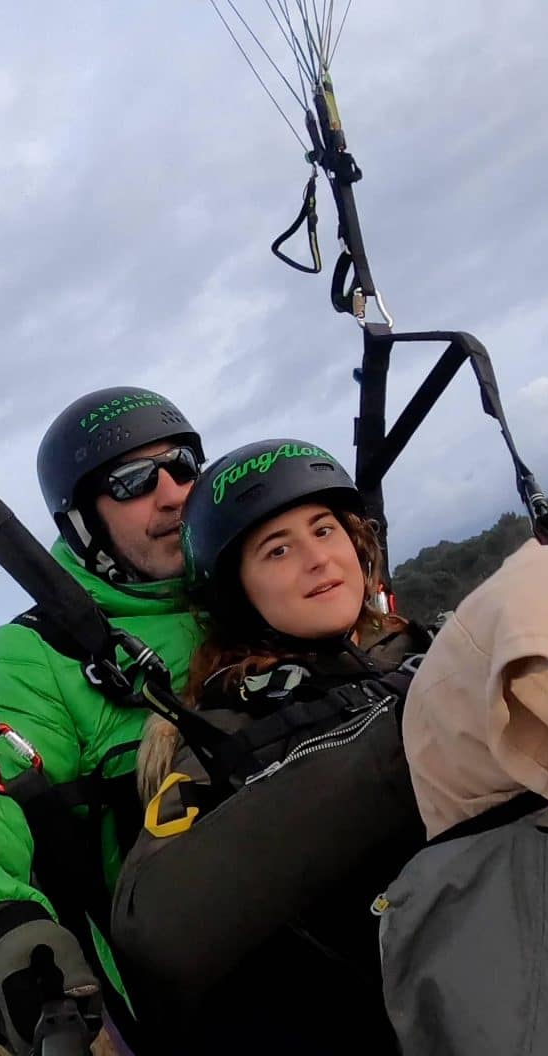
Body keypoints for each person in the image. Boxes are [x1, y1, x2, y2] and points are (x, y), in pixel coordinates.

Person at [0, 386, 207, 1056]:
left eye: (183, 466)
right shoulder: (49, 657)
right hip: (218, 990)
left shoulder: (267, 572)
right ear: (84, 519)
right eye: (134, 482)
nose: (172, 492)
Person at [109, 439, 430, 1056]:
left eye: (324, 529)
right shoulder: (222, 734)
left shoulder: (417, 646)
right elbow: (156, 923)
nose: (317, 559)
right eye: (278, 550)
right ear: (237, 593)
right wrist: (400, 732)